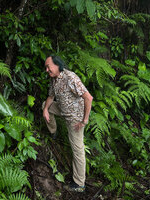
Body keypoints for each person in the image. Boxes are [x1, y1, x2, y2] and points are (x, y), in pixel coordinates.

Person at [42, 55, 93, 192]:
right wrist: (46, 109)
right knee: (44, 106)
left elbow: (88, 98)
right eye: (46, 67)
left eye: (48, 66)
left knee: (77, 150)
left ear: (57, 65)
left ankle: (79, 184)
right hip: (63, 110)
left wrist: (84, 120)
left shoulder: (70, 77)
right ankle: (53, 132)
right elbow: (51, 96)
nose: (47, 70)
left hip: (75, 119)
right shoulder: (54, 80)